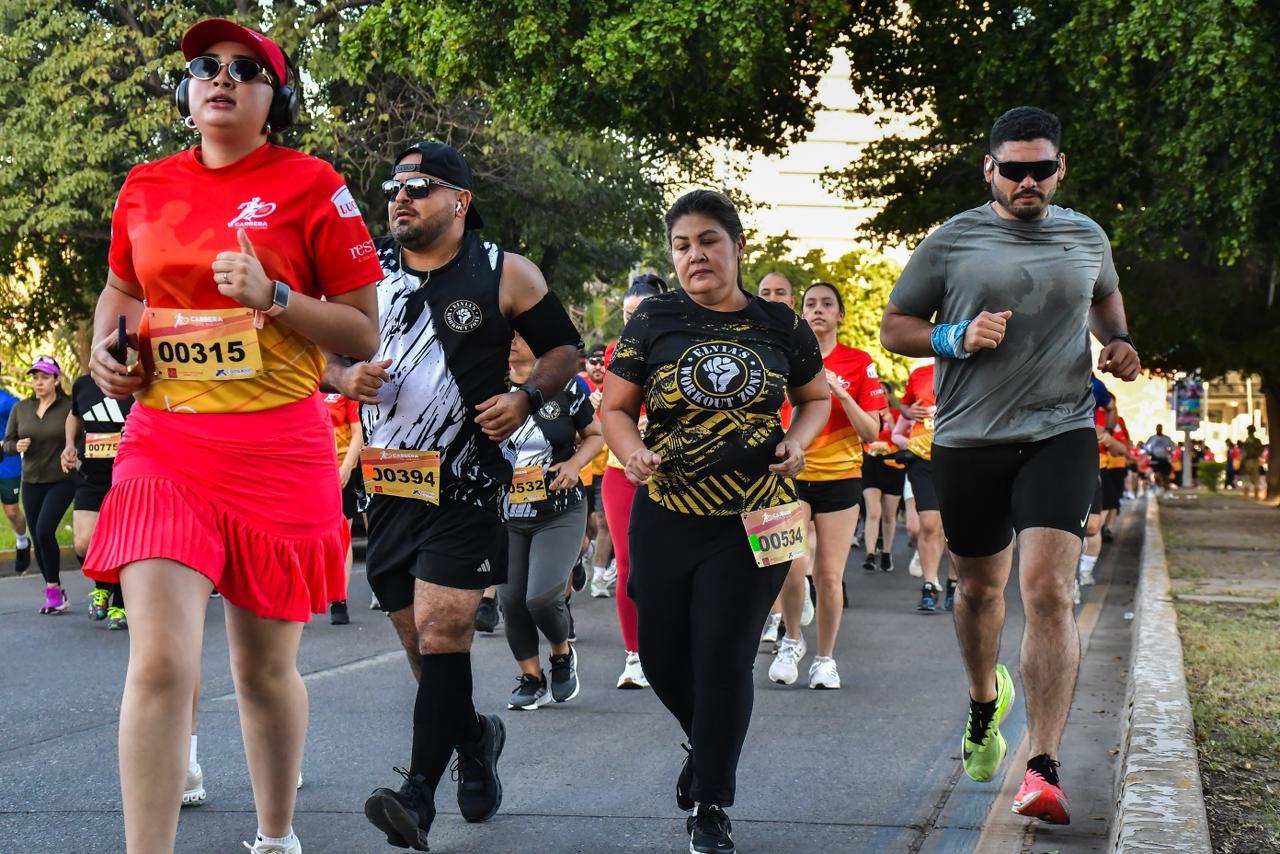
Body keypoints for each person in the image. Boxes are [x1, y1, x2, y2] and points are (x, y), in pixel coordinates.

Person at [82, 18, 383, 854]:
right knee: (160, 662)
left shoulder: (313, 185)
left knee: (262, 670)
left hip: (277, 446)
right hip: (165, 441)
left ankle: (276, 836)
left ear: (273, 100)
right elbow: (121, 294)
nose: (221, 77)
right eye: (206, 66)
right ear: (186, 92)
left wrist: (275, 296)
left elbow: (362, 332)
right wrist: (106, 351)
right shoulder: (144, 186)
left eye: (246, 69)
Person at [880, 107, 1141, 825]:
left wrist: (1118, 340)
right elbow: (895, 327)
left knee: (1050, 590)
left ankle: (1043, 766)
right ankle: (983, 700)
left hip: (1061, 431)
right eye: (1015, 170)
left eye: (1041, 169)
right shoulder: (952, 239)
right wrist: (957, 336)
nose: (1029, 182)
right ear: (990, 169)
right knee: (978, 590)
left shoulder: (1086, 235)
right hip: (970, 439)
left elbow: (1104, 297)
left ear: (1060, 168)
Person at [326, 140, 580, 852]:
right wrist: (341, 378)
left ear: (460, 200)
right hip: (389, 484)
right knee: (423, 648)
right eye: (394, 187)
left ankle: (416, 797)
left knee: (443, 633)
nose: (401, 198)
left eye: (420, 187)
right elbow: (313, 348)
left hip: (467, 483)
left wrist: (525, 397)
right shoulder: (364, 271)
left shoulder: (504, 271)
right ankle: (474, 739)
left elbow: (564, 349)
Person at [601, 189, 830, 854]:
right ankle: (706, 749)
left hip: (760, 513)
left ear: (737, 246)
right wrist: (631, 451)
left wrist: (798, 441)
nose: (695, 255)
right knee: (662, 655)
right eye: (682, 245)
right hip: (668, 510)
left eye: (708, 241)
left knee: (725, 657)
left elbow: (813, 398)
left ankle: (711, 802)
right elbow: (615, 409)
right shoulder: (654, 319)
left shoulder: (780, 324)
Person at [769, 282, 883, 689]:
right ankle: (791, 640)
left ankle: (825, 659)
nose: (818, 310)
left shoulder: (859, 362)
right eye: (811, 304)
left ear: (839, 314)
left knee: (829, 576)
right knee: (788, 563)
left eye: (827, 304)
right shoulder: (782, 358)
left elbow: (872, 432)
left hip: (841, 477)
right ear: (801, 313)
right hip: (788, 478)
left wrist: (840, 394)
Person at [499, 333, 603, 709]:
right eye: (506, 333)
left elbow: (595, 435)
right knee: (511, 600)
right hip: (507, 514)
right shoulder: (486, 387)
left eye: (520, 334)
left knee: (541, 598)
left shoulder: (565, 387)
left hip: (559, 510)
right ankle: (531, 679)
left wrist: (575, 464)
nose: (511, 340)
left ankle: (561, 654)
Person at [598, 273, 668, 688]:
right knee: (627, 562)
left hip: (674, 473)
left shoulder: (681, 345)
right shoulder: (614, 351)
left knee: (669, 564)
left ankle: (670, 645)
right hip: (620, 469)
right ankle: (635, 655)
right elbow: (609, 413)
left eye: (641, 314)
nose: (633, 323)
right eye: (627, 316)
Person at [62, 372, 134, 628]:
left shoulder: (136, 383)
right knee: (83, 543)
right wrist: (69, 445)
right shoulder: (83, 384)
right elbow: (74, 414)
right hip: (91, 476)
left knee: (123, 543)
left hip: (126, 475)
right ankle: (102, 585)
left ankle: (121, 605)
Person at [4, 356, 75, 613]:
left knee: (45, 530)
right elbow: (7, 443)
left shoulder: (69, 408)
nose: (39, 382)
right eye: (35, 377)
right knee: (37, 537)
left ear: (56, 379)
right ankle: (55, 591)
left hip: (62, 480)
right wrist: (16, 446)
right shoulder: (21, 409)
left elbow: (81, 438)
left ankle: (53, 589)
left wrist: (73, 452)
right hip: (31, 481)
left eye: (45, 377)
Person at [892, 359, 949, 611]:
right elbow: (904, 405)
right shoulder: (919, 373)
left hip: (957, 455)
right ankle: (929, 585)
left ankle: (954, 583)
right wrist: (909, 412)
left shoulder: (970, 367)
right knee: (928, 525)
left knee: (953, 527)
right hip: (921, 457)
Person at [320, 387, 364, 625]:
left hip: (341, 471)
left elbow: (358, 432)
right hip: (310, 469)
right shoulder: (303, 386)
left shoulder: (344, 388)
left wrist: (347, 466)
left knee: (342, 534)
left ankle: (339, 599)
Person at [861, 384, 907, 571]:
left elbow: (903, 440)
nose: (880, 395)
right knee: (873, 512)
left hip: (893, 465)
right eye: (877, 392)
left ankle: (886, 552)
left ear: (888, 396)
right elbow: (860, 437)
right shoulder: (867, 414)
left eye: (883, 393)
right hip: (871, 463)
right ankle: (870, 554)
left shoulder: (896, 414)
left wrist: (891, 421)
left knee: (889, 515)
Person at [0, 382, 31, 574]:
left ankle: (22, 542)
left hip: (6, 461)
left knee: (11, 511)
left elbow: (27, 424)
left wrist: (4, 442)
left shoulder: (8, 401)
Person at [1143, 424, 1175, 491]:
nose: (1159, 429)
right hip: (1155, 458)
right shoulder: (1152, 438)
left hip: (1164, 459)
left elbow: (1172, 447)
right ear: (1156, 429)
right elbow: (1146, 447)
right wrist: (1149, 452)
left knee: (1165, 476)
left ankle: (1166, 490)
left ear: (1162, 429)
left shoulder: (1166, 438)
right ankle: (1158, 487)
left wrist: (1169, 453)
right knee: (1156, 474)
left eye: (1160, 428)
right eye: (1158, 428)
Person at [1239, 425, 1265, 498]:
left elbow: (1244, 452)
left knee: (1248, 477)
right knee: (1254, 477)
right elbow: (1261, 450)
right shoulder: (1256, 441)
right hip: (1254, 460)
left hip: (1249, 460)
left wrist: (1242, 461)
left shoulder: (1249, 441)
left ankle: (1248, 495)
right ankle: (1254, 496)